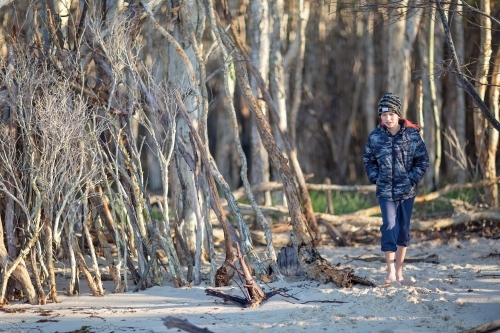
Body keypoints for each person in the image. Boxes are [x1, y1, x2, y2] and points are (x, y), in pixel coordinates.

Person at [363, 92, 429, 285]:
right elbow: (368, 160)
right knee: (389, 227)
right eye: (384, 115)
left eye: (391, 114)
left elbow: (422, 160)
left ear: (398, 115)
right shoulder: (375, 137)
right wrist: (376, 177)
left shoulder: (412, 135)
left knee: (403, 230)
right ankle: (390, 272)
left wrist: (412, 179)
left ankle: (399, 273)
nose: (387, 118)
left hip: (407, 191)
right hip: (385, 192)